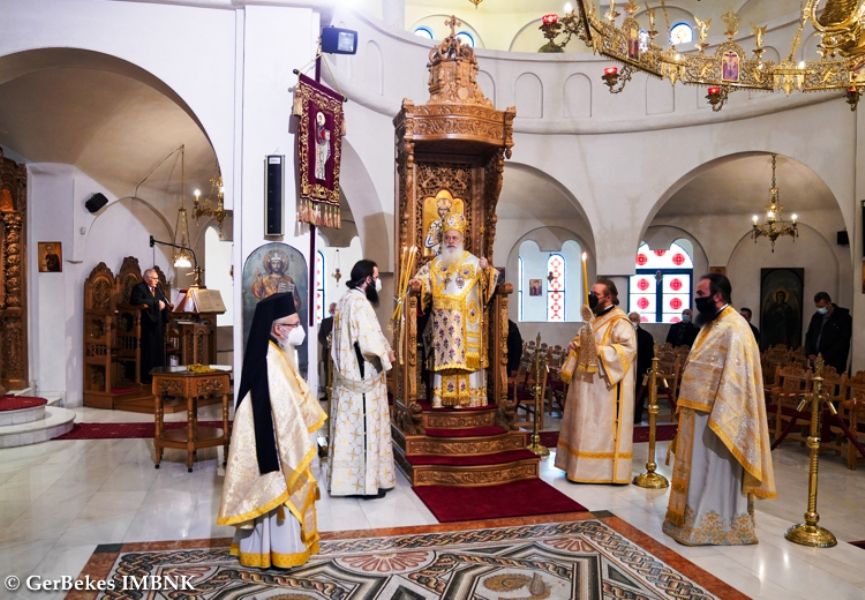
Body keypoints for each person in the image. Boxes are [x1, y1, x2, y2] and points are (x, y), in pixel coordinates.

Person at [663, 273, 776, 546]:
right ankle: (691, 519)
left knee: (713, 469)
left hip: (719, 415)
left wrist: (724, 411)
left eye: (701, 294)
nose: (696, 299)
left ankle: (716, 524)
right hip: (696, 413)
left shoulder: (735, 327)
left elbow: (738, 379)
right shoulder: (711, 325)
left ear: (718, 295)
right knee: (698, 470)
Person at [217, 292, 326, 569]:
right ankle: (276, 552)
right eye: (294, 324)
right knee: (275, 491)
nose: (299, 329)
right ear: (278, 329)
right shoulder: (269, 358)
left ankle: (269, 550)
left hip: (274, 437)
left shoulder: (277, 351)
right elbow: (284, 411)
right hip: (274, 445)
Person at [409, 212, 498, 408]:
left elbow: (488, 288)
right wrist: (417, 284)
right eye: (447, 237)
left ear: (462, 239)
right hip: (442, 324)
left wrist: (486, 270)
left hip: (467, 323)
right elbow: (423, 282)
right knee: (445, 358)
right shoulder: (435, 264)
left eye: (454, 238)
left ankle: (471, 400)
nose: (450, 241)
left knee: (466, 360)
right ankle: (441, 399)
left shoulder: (474, 262)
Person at [555, 278, 636, 484]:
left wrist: (596, 350)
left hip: (603, 388)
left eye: (596, 294)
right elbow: (582, 339)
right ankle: (575, 466)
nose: (591, 297)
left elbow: (627, 350)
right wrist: (575, 345)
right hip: (585, 384)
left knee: (595, 426)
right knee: (582, 423)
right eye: (591, 293)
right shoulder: (594, 319)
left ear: (608, 297)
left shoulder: (620, 321)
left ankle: (596, 471)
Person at [328, 260, 396, 497]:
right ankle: (366, 486)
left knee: (350, 430)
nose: (378, 282)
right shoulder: (360, 304)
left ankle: (348, 482)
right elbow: (368, 342)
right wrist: (387, 356)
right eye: (376, 278)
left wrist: (384, 347)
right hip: (362, 377)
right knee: (364, 428)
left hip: (347, 377)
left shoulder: (345, 299)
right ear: (367, 279)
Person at [130, 269, 172, 383]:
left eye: (157, 278)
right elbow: (136, 300)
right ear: (147, 279)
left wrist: (166, 305)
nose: (157, 281)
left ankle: (159, 375)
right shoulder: (139, 288)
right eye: (155, 278)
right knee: (149, 350)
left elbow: (163, 300)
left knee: (159, 349)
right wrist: (155, 303)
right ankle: (147, 377)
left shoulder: (158, 289)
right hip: (145, 324)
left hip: (158, 323)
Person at [804, 291, 853, 373]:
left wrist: (824, 357)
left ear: (829, 303)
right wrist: (810, 353)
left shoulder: (843, 318)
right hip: (816, 359)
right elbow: (809, 335)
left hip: (834, 362)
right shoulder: (816, 316)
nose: (820, 309)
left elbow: (843, 341)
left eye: (821, 307)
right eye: (817, 307)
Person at [629, 311, 655, 424]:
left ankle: (636, 417)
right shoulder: (623, 335)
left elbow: (650, 355)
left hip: (640, 370)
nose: (633, 321)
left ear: (639, 321)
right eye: (631, 319)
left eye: (635, 319)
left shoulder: (646, 336)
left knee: (639, 394)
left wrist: (646, 371)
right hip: (626, 370)